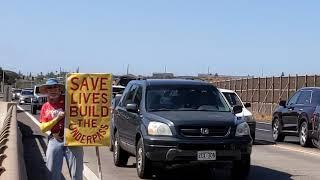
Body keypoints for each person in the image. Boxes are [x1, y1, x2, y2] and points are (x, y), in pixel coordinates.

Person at [39, 78, 83, 180]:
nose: (53, 90)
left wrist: (103, 110)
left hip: (73, 139)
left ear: (60, 89)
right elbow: (43, 128)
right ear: (46, 91)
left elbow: (88, 106)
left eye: (55, 87)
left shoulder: (71, 101)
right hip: (55, 140)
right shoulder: (45, 107)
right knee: (52, 173)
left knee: (77, 174)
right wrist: (57, 119)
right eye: (50, 88)